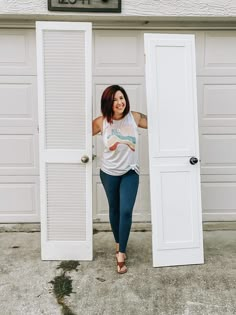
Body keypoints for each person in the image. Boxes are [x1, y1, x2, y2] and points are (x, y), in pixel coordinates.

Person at [92, 85, 147, 274]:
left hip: (130, 171)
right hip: (108, 172)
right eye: (115, 99)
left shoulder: (135, 118)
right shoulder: (101, 123)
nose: (120, 102)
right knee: (114, 209)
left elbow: (162, 127)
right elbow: (78, 137)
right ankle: (118, 242)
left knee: (125, 211)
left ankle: (121, 253)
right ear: (108, 103)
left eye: (122, 98)